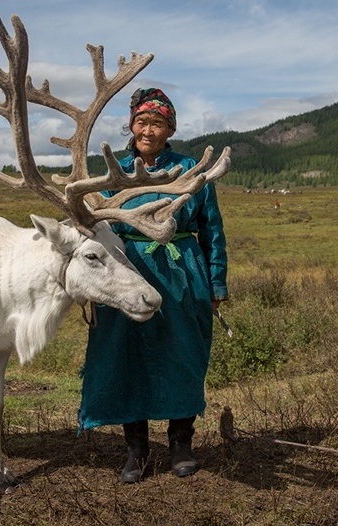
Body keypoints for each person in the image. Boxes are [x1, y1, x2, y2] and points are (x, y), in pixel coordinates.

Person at [78, 88, 229, 483]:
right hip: (126, 275)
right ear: (132, 125)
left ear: (170, 128)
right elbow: (97, 230)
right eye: (142, 122)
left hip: (183, 275)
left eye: (157, 123)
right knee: (127, 356)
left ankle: (181, 442)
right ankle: (137, 450)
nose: (148, 130)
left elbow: (212, 230)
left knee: (184, 355)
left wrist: (216, 284)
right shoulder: (113, 172)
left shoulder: (192, 170)